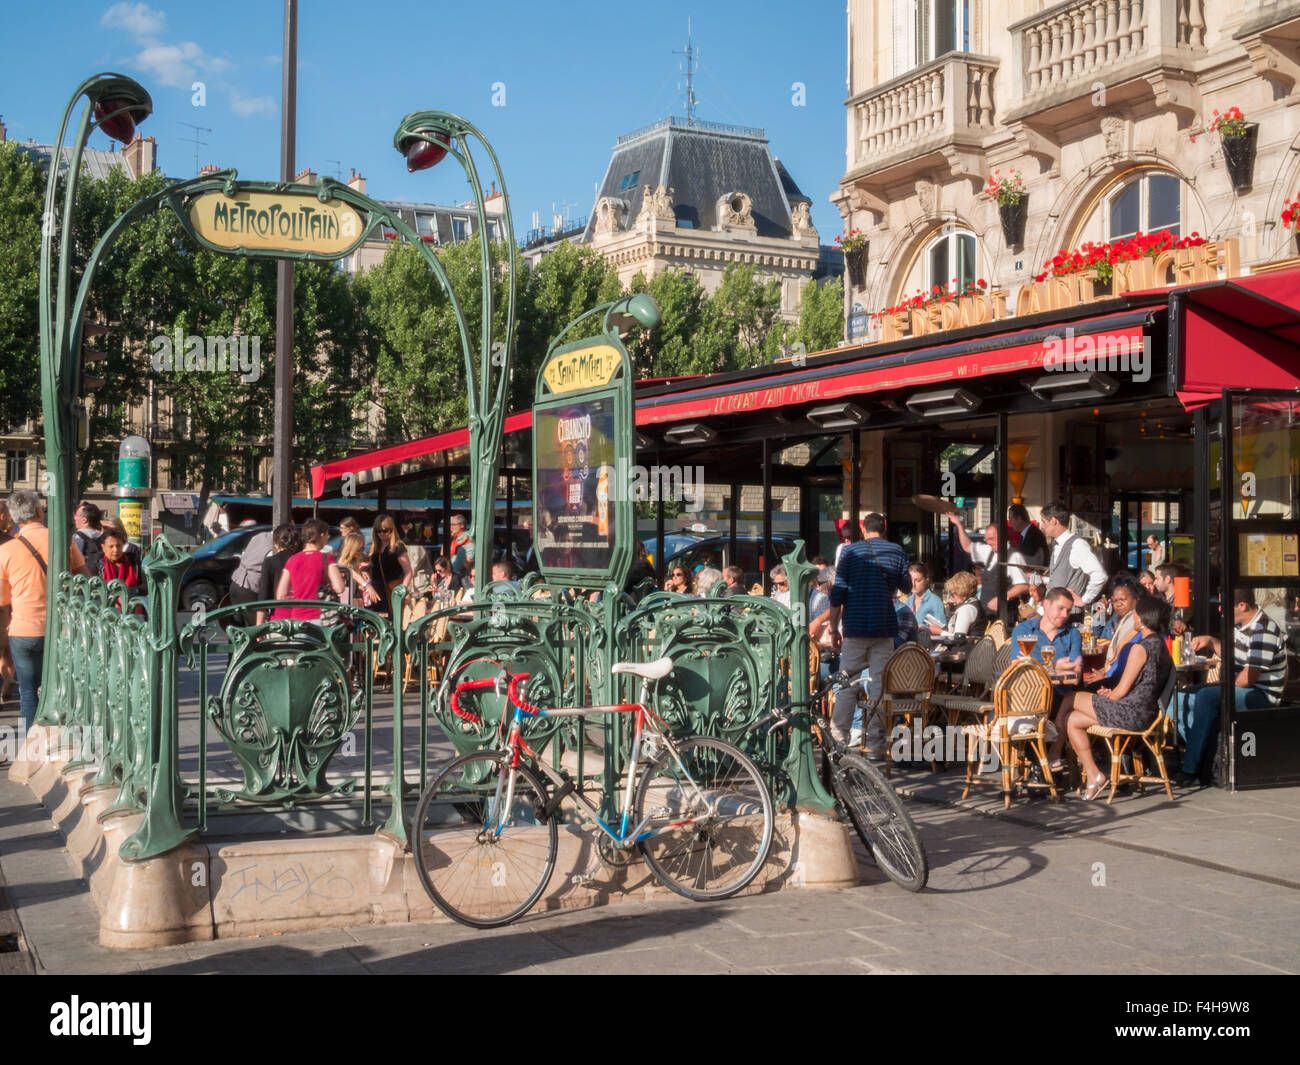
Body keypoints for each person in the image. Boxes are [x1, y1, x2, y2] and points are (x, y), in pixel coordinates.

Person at [1048, 596, 1173, 800]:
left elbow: (1122, 690)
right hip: (1142, 712)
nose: (1134, 617)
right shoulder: (1159, 644)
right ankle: (1094, 775)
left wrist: (1110, 695)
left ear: (1141, 618)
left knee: (1071, 697)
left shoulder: (1140, 648)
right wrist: (1110, 696)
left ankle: (1054, 751)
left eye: (1137, 614)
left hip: (1131, 714)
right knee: (1072, 719)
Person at [1174, 588, 1287, 787]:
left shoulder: (1264, 630)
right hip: (1240, 687)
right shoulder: (1239, 626)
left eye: (1223, 606)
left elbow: (1248, 679)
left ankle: (1190, 767)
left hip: (1261, 695)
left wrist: (1221, 686)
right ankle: (1202, 746)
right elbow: (1229, 653)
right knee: (1178, 698)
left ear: (1241, 606)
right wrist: (1210, 641)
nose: (1220, 610)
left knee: (1207, 697)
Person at [0, 490, 89, 734]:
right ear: (40, 512)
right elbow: (85, 580)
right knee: (62, 689)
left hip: (23, 631)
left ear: (14, 518)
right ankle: (64, 743)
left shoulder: (6, 550)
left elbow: (3, 599)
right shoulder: (62, 540)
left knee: (28, 692)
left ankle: (33, 747)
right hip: (60, 629)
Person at [828, 512, 910, 754]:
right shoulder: (897, 551)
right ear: (884, 529)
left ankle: (838, 739)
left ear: (863, 530)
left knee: (847, 684)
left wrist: (834, 629)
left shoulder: (850, 552)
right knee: (880, 687)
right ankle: (875, 742)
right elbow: (906, 586)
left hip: (855, 626)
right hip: (884, 626)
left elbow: (838, 593)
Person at [947, 514, 1031, 623]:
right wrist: (959, 524)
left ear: (1002, 537)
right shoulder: (990, 551)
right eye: (986, 539)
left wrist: (1001, 598)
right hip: (987, 615)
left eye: (991, 539)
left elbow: (1023, 586)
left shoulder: (1013, 556)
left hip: (1004, 616)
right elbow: (967, 547)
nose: (988, 542)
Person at [1038, 502, 1107, 612]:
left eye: (1044, 522)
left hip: (1068, 615)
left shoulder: (1077, 545)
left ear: (1053, 521)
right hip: (1052, 613)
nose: (1042, 526)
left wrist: (1085, 599)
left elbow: (1100, 575)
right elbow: (1062, 576)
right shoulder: (1057, 545)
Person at [274, 518, 346, 621]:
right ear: (321, 535)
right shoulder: (326, 558)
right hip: (320, 617)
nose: (328, 537)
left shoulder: (292, 560)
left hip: (297, 619)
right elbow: (339, 588)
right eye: (327, 534)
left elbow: (281, 595)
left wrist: (299, 597)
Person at [1010, 586, 1083, 676]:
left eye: (1068, 611)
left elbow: (1075, 676)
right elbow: (1019, 671)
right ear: (1046, 604)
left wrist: (1033, 668)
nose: (1065, 615)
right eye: (1061, 608)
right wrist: (1053, 667)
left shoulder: (1073, 634)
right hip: (1031, 689)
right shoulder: (1024, 630)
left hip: (1061, 690)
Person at [1084, 578, 1142, 686]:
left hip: (1118, 681)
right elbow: (1096, 637)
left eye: (1123, 600)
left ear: (1136, 600)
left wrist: (1105, 675)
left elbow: (1124, 661)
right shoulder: (1115, 618)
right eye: (1115, 601)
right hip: (1105, 669)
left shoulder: (1137, 624)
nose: (1118, 604)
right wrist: (1099, 615)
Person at [255, 524, 302, 624]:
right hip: (303, 618)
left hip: (280, 619)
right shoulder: (303, 560)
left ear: (276, 544)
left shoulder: (270, 562)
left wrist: (259, 626)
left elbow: (263, 596)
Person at [229, 525, 275, 625]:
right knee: (254, 628)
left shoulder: (258, 536)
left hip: (236, 582)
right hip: (250, 587)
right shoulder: (273, 548)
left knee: (237, 627)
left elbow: (244, 554)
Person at [368, 514, 413, 614]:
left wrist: (403, 589)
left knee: (392, 621)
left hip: (392, 590)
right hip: (376, 591)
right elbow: (374, 566)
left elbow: (408, 571)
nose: (381, 534)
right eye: (378, 531)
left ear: (391, 530)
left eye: (385, 530)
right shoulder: (375, 547)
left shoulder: (397, 547)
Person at [930, 571, 980, 639]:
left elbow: (959, 638)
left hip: (965, 648)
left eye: (953, 593)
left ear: (961, 591)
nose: (951, 596)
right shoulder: (974, 603)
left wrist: (940, 632)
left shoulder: (967, 609)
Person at [335, 532, 379, 609]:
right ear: (351, 548)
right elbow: (353, 573)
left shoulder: (356, 562)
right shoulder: (342, 564)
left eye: (363, 548)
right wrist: (367, 585)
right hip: (343, 606)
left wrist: (362, 586)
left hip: (354, 605)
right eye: (359, 549)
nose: (362, 552)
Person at [100, 528, 147, 598]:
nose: (115, 550)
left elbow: (146, 586)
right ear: (103, 548)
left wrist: (133, 591)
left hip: (132, 605)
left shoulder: (134, 562)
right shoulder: (98, 564)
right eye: (111, 546)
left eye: (118, 546)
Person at [905, 563, 945, 633]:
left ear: (927, 580)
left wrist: (922, 628)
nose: (913, 584)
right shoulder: (909, 600)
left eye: (918, 580)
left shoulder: (934, 602)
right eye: (911, 580)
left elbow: (941, 629)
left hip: (928, 642)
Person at [72, 501, 107, 581]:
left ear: (84, 520)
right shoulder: (104, 537)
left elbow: (75, 562)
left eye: (76, 515)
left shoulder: (77, 537)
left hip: (84, 580)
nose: (74, 518)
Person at [447, 513, 472, 579]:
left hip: (460, 577)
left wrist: (457, 575)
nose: (451, 527)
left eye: (454, 524)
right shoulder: (453, 539)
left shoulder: (468, 539)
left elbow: (469, 561)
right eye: (450, 525)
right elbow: (442, 553)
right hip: (450, 576)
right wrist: (449, 538)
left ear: (462, 525)